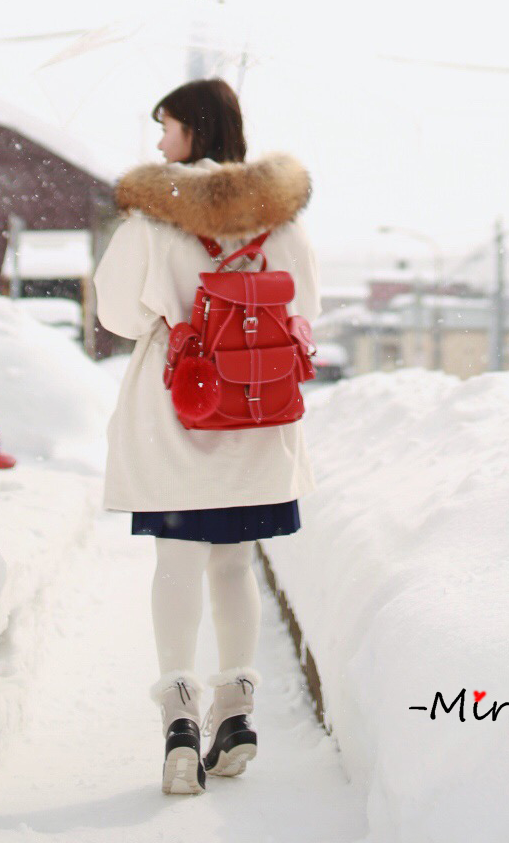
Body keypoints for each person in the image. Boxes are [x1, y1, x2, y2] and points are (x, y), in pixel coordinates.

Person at [91, 78, 320, 796]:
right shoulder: (282, 222)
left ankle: (180, 726)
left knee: (178, 564)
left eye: (165, 128)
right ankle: (237, 715)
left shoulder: (154, 220)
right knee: (233, 565)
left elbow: (121, 317)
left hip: (180, 407)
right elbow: (305, 312)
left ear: (192, 130)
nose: (159, 143)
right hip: (255, 415)